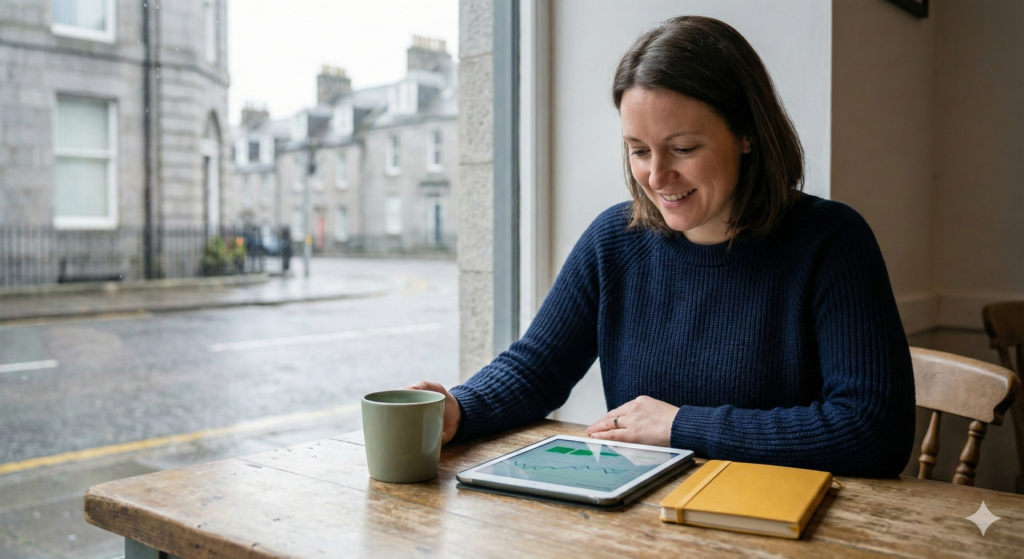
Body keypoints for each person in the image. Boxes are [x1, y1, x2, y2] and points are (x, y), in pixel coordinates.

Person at [409, 16, 915, 477]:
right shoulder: (614, 240)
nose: (657, 176)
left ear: (747, 133)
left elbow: (872, 432)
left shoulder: (831, 242)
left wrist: (680, 427)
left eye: (683, 149)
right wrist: (461, 407)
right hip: (643, 524)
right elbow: (536, 368)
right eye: (639, 150)